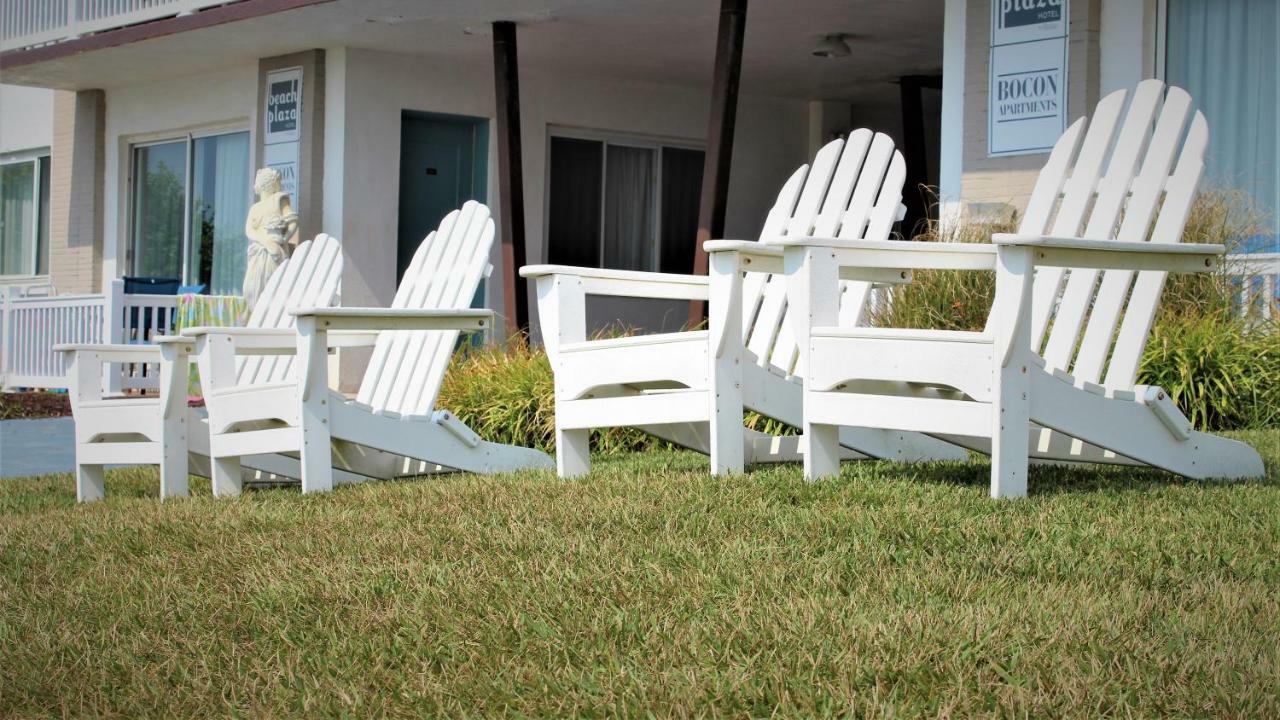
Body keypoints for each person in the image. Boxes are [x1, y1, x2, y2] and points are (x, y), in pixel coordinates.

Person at [242, 168, 298, 310]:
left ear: (264, 184)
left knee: (272, 285)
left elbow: (293, 221)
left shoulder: (278, 200)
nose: (254, 185)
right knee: (251, 287)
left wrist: (285, 238)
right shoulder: (255, 208)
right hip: (259, 252)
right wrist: (263, 241)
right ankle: (256, 314)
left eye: (256, 182)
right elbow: (249, 230)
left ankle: (269, 316)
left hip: (274, 252)